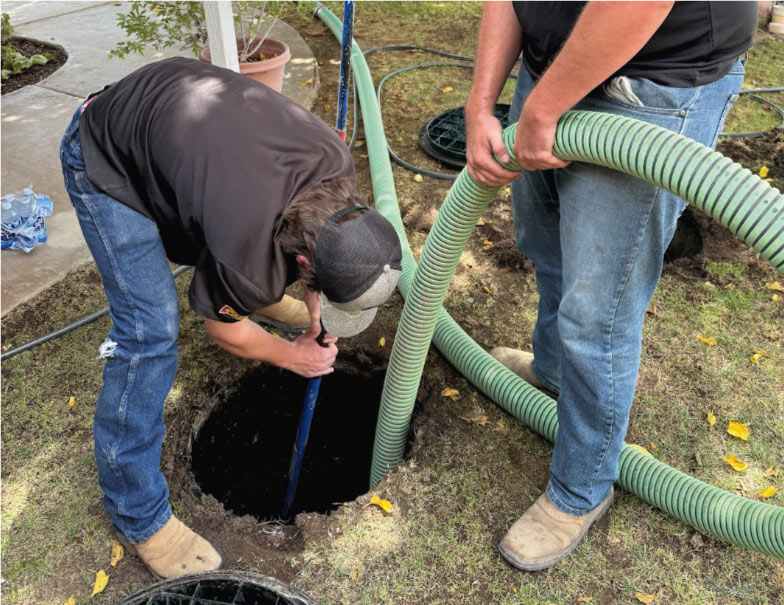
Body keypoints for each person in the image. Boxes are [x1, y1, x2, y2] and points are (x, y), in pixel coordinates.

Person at [59, 57, 402, 580]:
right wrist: (293, 356)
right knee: (149, 333)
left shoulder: (336, 168)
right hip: (106, 152)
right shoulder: (247, 249)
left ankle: (254, 298)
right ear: (304, 261)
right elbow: (225, 331)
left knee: (241, 266)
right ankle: (138, 513)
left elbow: (307, 248)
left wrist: (317, 309)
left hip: (171, 114)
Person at [465, 1, 756, 571]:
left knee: (598, 312)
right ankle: (553, 374)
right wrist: (481, 104)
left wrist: (544, 109)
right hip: (547, 69)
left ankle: (581, 489)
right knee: (546, 248)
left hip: (652, 87)